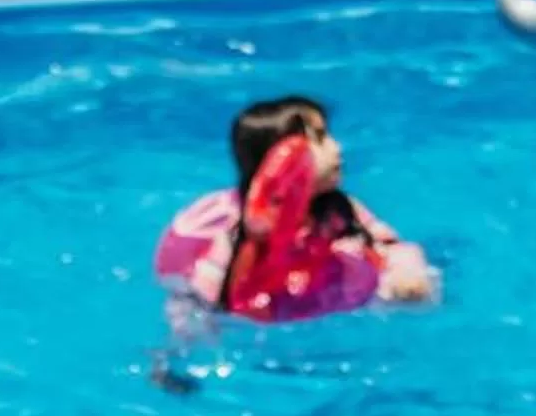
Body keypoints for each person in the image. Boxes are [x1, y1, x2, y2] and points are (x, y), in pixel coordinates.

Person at [153, 97, 436, 327]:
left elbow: (389, 245)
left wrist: (407, 272)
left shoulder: (339, 208)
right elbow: (204, 301)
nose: (337, 148)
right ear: (281, 158)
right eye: (321, 138)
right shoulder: (233, 231)